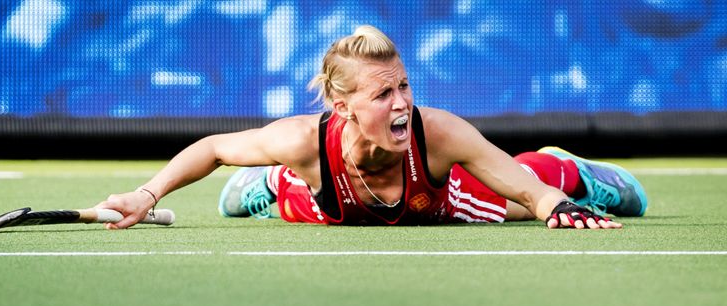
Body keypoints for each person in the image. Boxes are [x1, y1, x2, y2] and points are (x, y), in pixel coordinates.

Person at [97, 25, 647, 230]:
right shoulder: (302, 142)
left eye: (404, 85)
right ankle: (265, 183)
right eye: (383, 93)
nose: (402, 102)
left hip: (433, 202)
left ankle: (574, 166)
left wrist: (556, 201)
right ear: (343, 107)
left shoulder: (438, 133)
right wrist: (147, 194)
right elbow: (216, 146)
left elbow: (526, 189)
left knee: (519, 194)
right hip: (317, 194)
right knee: (281, 190)